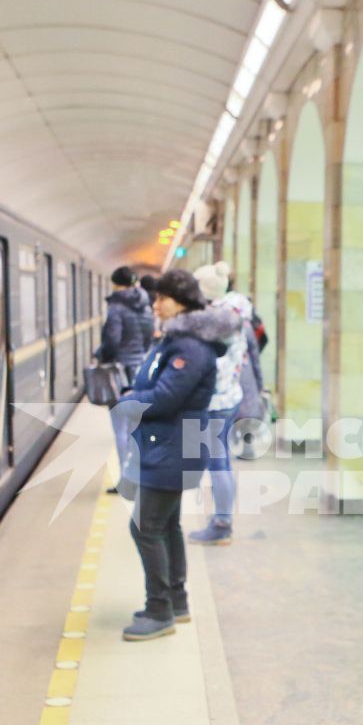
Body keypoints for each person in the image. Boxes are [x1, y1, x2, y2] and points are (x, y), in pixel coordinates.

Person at [116, 268, 220, 641]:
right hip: (170, 444)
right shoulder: (178, 340)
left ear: (182, 302)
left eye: (162, 298)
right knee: (166, 524)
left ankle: (160, 610)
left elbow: (165, 398)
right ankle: (176, 601)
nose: (155, 304)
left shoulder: (188, 348)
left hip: (174, 447)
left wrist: (130, 401)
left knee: (144, 527)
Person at [187, 260, 256, 544]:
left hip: (215, 399)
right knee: (221, 460)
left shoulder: (213, 321)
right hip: (229, 395)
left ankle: (222, 523)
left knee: (218, 462)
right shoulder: (236, 314)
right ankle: (221, 517)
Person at [99, 266, 155, 492]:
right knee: (135, 428)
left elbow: (112, 341)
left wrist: (101, 357)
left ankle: (127, 480)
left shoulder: (116, 308)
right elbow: (150, 337)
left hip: (121, 373)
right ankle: (139, 475)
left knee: (120, 429)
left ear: (115, 284)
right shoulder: (146, 306)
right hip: (141, 370)